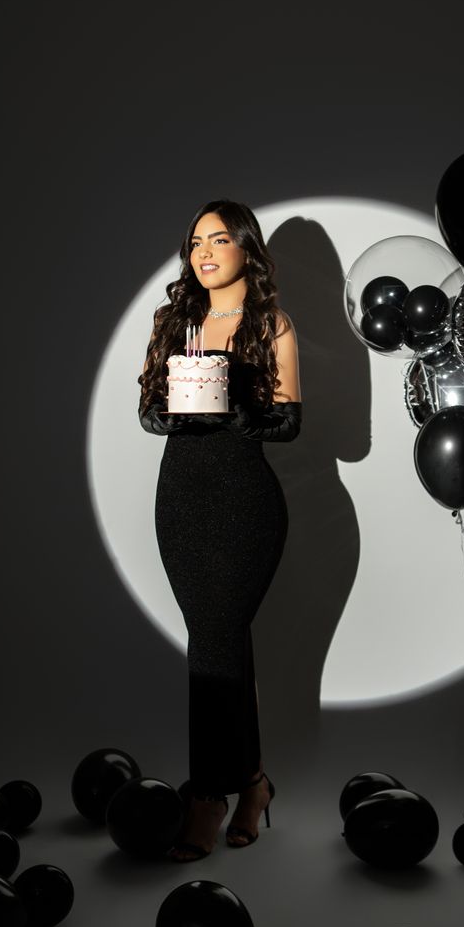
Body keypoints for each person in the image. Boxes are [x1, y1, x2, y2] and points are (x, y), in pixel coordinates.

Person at [138, 198, 302, 862]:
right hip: (180, 499)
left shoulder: (274, 323)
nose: (203, 253)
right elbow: (148, 415)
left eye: (219, 240)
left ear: (247, 250)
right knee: (221, 642)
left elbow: (291, 425)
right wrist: (179, 411)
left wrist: (235, 405)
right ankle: (254, 785)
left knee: (214, 639)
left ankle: (207, 794)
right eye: (195, 242)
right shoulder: (173, 319)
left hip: (245, 501)